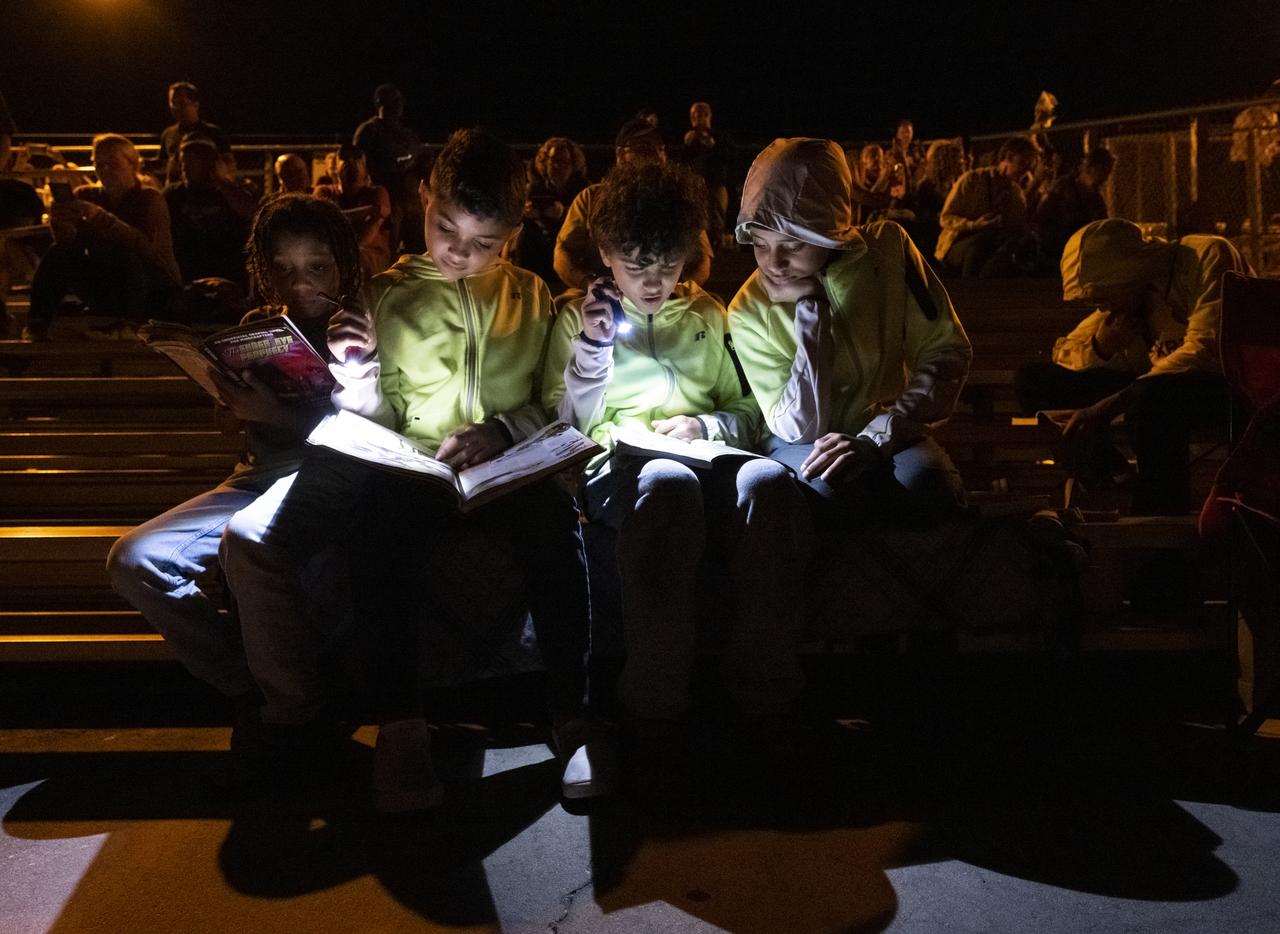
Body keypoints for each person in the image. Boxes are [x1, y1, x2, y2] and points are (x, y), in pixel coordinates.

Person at [220, 128, 607, 811]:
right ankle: (401, 725)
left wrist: (501, 430)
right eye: (445, 227)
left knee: (555, 530)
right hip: (419, 469)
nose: (460, 251)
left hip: (510, 469)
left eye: (484, 242)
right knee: (377, 536)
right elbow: (375, 412)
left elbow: (555, 402)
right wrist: (359, 373)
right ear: (423, 199)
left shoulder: (531, 296)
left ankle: (572, 719)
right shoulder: (387, 294)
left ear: (514, 235)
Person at [544, 160, 809, 802]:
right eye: (637, 266)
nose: (655, 281)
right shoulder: (576, 318)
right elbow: (564, 422)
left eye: (668, 265)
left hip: (706, 453)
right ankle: (655, 702)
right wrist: (592, 352)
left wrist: (707, 424)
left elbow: (752, 410)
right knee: (665, 485)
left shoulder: (708, 315)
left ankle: (764, 692)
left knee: (773, 487)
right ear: (605, 254)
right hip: (619, 465)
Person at [107, 194, 361, 783]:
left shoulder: (362, 325)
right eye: (282, 269)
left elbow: (364, 434)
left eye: (317, 268)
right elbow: (247, 428)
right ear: (261, 267)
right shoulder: (259, 329)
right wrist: (231, 404)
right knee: (134, 559)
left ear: (343, 265)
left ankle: (292, 712)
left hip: (326, 473)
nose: (299, 285)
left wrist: (271, 413)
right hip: (255, 474)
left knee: (247, 544)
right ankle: (245, 684)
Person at [730, 138, 971, 529]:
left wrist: (876, 438)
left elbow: (945, 350)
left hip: (890, 428)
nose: (774, 263)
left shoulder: (888, 252)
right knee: (827, 490)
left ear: (831, 230)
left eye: (792, 243)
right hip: (798, 444)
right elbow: (799, 428)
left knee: (928, 486)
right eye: (760, 244)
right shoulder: (749, 309)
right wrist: (811, 310)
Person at [1014, 218, 1251, 515]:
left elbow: (1206, 347)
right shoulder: (1129, 300)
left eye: (1104, 297)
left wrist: (1114, 403)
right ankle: (1113, 476)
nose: (1102, 309)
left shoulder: (1206, 255)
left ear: (1127, 275)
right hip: (1150, 388)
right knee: (1033, 381)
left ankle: (1159, 524)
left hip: (1224, 385)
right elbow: (1065, 354)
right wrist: (1103, 344)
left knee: (1149, 400)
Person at [23, 134, 180, 341]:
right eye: (99, 164)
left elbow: (144, 248)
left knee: (124, 251)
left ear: (133, 165)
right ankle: (37, 323)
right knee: (58, 251)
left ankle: (129, 325)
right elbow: (69, 244)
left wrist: (99, 217)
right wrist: (61, 223)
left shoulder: (149, 199)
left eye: (113, 163)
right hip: (106, 282)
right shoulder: (87, 195)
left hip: (151, 287)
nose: (105, 170)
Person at [554, 118, 713, 292]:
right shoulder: (590, 198)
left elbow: (702, 256)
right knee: (566, 303)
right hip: (606, 293)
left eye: (659, 148)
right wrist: (589, 284)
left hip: (664, 292)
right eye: (643, 147)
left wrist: (684, 289)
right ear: (620, 154)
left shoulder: (680, 197)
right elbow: (562, 253)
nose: (655, 154)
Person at [935, 135, 1038, 277]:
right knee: (981, 245)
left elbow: (1017, 227)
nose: (1026, 171)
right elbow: (945, 218)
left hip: (990, 245)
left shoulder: (1016, 194)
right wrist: (973, 224)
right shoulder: (972, 180)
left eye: (1030, 166)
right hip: (956, 245)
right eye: (1023, 163)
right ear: (1008, 157)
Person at [165, 135, 257, 288]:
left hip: (228, 276)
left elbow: (253, 214)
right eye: (182, 162)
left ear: (210, 164)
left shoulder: (235, 192)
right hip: (187, 275)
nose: (184, 167)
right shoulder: (173, 194)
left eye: (191, 161)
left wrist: (222, 181)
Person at [353, 84, 423, 252]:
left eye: (399, 101)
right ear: (380, 103)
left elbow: (416, 153)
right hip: (386, 197)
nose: (399, 105)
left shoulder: (405, 133)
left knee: (419, 249)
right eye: (394, 100)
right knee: (390, 248)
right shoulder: (369, 131)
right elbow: (360, 163)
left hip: (410, 197)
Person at [518, 136, 589, 291]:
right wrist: (525, 213)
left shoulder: (582, 189)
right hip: (538, 244)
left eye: (564, 162)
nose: (558, 166)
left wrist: (564, 213)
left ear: (573, 164)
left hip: (569, 242)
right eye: (553, 161)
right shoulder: (533, 189)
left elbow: (589, 217)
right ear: (545, 163)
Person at [313, 143, 392, 279]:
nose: (351, 164)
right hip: (334, 252)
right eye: (346, 160)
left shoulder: (377, 193)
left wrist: (347, 249)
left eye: (356, 160)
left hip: (371, 255)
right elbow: (320, 220)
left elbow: (370, 232)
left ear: (365, 168)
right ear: (335, 168)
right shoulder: (324, 192)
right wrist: (368, 210)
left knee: (358, 259)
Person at [1035, 146, 1115, 262]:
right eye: (1105, 171)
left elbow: (1103, 225)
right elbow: (1041, 217)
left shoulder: (1096, 198)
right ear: (1091, 168)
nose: (1107, 177)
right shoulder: (1062, 188)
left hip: (1081, 252)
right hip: (1057, 249)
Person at [159, 82, 231, 185]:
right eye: (172, 103)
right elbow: (163, 162)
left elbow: (228, 163)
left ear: (196, 105)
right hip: (177, 194)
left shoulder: (213, 132)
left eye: (181, 103)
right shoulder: (168, 134)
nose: (176, 108)